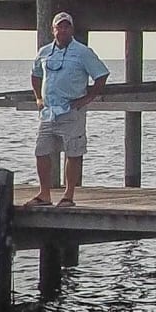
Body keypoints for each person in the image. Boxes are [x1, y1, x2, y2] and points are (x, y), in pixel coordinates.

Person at [30, 11, 109, 207]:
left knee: (73, 153)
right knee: (41, 151)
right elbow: (35, 74)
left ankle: (68, 195)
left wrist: (88, 97)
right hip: (49, 111)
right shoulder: (44, 52)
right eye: (59, 26)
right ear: (53, 30)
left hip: (71, 111)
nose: (63, 30)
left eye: (66, 26)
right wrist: (38, 97)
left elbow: (101, 74)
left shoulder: (83, 52)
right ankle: (44, 194)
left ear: (71, 29)